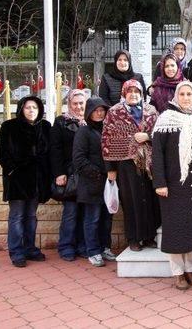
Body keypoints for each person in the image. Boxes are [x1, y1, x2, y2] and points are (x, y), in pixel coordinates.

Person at [152, 81, 192, 290]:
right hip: (173, 184)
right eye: (182, 94)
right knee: (176, 227)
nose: (186, 97)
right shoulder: (165, 119)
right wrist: (160, 183)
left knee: (191, 228)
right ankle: (177, 272)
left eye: (189, 94)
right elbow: (157, 153)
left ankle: (189, 270)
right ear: (176, 96)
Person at [102, 80, 160, 251]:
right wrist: (110, 169)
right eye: (130, 91)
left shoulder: (151, 111)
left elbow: (160, 133)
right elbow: (107, 140)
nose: (133, 94)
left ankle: (149, 236)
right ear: (124, 93)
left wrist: (147, 136)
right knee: (131, 200)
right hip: (125, 163)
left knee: (149, 199)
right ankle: (133, 238)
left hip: (149, 162)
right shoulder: (114, 112)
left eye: (137, 91)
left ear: (142, 93)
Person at [0, 96, 51, 267]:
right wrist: (12, 170)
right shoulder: (9, 126)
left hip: (35, 181)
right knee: (17, 216)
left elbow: (49, 153)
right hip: (17, 181)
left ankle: (30, 249)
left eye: (34, 107)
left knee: (31, 216)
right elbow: (1, 152)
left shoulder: (45, 127)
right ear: (21, 109)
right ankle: (17, 252)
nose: (31, 110)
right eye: (28, 107)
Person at [73, 97, 114, 267]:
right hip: (91, 183)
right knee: (92, 218)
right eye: (96, 110)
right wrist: (98, 173)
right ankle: (93, 251)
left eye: (102, 110)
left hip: (108, 184)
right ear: (89, 112)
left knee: (107, 218)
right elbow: (79, 159)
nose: (100, 113)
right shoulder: (84, 132)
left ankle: (105, 247)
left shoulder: (108, 130)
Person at [50, 89, 87, 261]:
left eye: (81, 103)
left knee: (85, 212)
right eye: (75, 103)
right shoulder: (61, 122)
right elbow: (55, 149)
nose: (79, 107)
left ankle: (81, 245)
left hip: (87, 174)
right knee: (71, 212)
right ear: (69, 104)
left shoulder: (91, 121)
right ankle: (66, 246)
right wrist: (59, 173)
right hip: (69, 174)